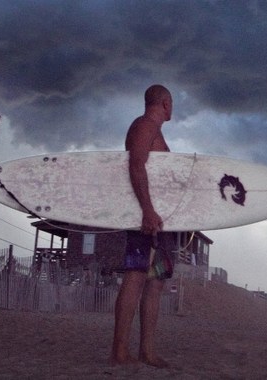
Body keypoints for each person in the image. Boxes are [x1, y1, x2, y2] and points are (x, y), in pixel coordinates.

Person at [111, 84, 174, 368]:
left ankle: (146, 351)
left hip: (161, 221)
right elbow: (136, 165)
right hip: (145, 218)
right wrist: (147, 210)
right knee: (136, 276)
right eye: (171, 104)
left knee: (156, 282)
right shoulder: (144, 125)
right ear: (165, 103)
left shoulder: (154, 130)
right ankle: (119, 350)